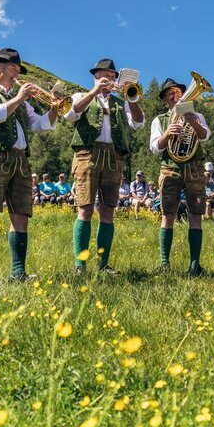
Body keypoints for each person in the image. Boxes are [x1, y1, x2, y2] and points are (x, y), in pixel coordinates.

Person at [0, 47, 58, 283]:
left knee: (20, 214)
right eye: (13, 68)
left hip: (20, 158)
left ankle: (18, 273)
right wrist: (19, 98)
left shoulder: (21, 102)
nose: (17, 73)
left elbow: (40, 125)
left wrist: (55, 108)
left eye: (18, 68)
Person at [65, 57, 144, 275]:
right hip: (86, 155)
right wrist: (94, 92)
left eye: (112, 77)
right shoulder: (81, 96)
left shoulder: (121, 103)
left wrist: (132, 97)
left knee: (108, 209)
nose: (108, 80)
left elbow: (138, 123)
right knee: (85, 208)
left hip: (113, 157)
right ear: (96, 77)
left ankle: (103, 264)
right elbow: (71, 114)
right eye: (104, 76)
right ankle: (80, 264)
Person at [150, 78, 211, 274]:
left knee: (196, 214)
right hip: (170, 168)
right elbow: (154, 148)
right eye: (169, 95)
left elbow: (205, 136)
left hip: (194, 168)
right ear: (166, 101)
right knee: (167, 214)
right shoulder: (160, 120)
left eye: (177, 94)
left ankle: (195, 265)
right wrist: (167, 134)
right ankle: (164, 263)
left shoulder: (197, 115)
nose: (174, 97)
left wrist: (194, 123)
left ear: (184, 96)